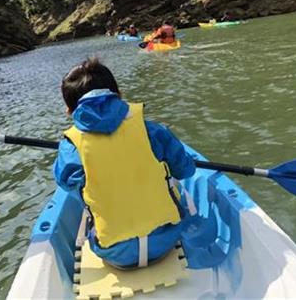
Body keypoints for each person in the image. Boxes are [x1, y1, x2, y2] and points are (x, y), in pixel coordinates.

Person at [54, 58, 195, 268]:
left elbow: (67, 184)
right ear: (118, 94)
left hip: (114, 253)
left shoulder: (70, 147)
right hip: (167, 240)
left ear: (69, 110)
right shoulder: (152, 131)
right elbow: (185, 170)